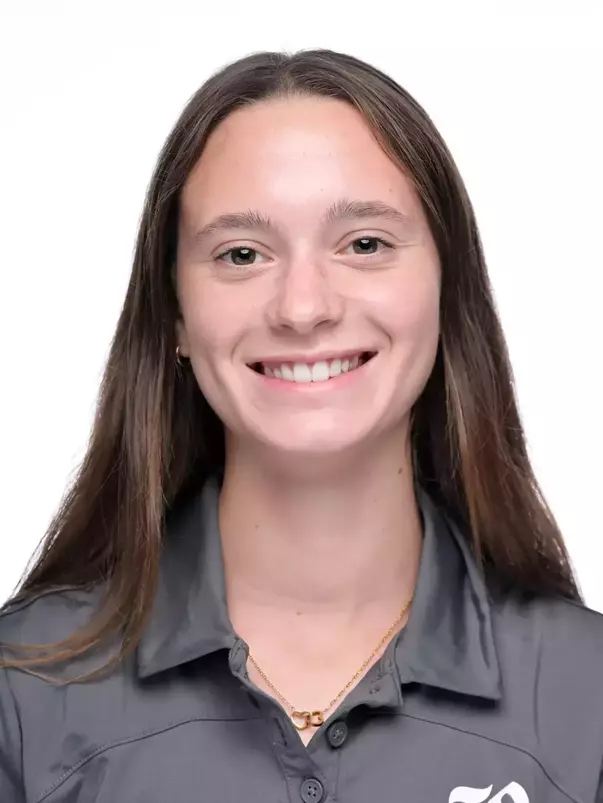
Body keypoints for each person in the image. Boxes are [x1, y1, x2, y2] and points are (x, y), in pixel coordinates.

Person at [1, 48, 602, 803]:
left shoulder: (588, 700)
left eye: (364, 244)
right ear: (176, 316)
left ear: (446, 290)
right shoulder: (22, 695)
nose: (303, 306)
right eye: (242, 253)